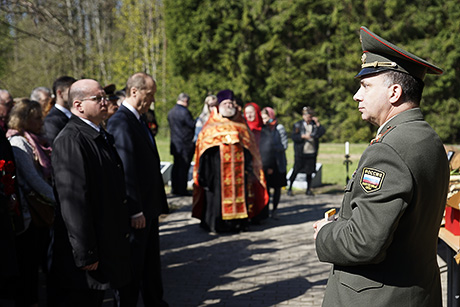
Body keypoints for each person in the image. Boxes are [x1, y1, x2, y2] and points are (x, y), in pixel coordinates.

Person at [313, 26, 449, 307]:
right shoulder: (428, 138)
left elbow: (364, 242)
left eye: (365, 86)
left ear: (394, 92)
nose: (356, 96)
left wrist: (324, 232)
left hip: (377, 297)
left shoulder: (389, 150)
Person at [50, 79, 131, 307]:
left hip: (105, 242)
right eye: (98, 98)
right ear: (78, 105)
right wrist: (85, 252)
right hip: (87, 252)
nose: (106, 102)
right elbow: (73, 201)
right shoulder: (71, 140)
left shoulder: (98, 134)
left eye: (105, 97)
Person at [107, 72, 168, 307]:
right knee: (134, 266)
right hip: (138, 212)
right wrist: (135, 210)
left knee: (150, 263)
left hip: (148, 208)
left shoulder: (139, 119)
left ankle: (155, 301)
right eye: (149, 94)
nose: (152, 100)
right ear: (134, 92)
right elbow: (126, 169)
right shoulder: (121, 121)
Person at [192, 89, 268, 233]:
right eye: (225, 103)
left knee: (240, 194)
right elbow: (203, 149)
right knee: (217, 197)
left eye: (230, 103)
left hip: (239, 171)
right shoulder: (210, 125)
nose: (228, 106)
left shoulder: (241, 124)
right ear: (219, 106)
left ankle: (237, 223)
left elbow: (251, 147)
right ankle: (217, 224)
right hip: (217, 171)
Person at [6, 98, 55, 306]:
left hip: (39, 211)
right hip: (30, 215)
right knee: (30, 265)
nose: (41, 122)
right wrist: (57, 198)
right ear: (24, 120)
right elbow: (33, 179)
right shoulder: (19, 143)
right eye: (36, 118)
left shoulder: (35, 139)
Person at [287, 106, 325, 196]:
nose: (309, 118)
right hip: (301, 152)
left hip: (311, 151)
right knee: (296, 169)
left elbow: (321, 132)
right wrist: (302, 136)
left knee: (310, 171)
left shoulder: (314, 125)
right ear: (303, 116)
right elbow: (294, 137)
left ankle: (308, 189)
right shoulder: (298, 125)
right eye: (307, 116)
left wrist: (318, 123)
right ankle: (290, 188)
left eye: (310, 116)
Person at [259, 107, 288, 219]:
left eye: (266, 117)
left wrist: (269, 147)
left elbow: (284, 145)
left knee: (277, 187)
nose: (264, 120)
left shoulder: (279, 128)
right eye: (262, 118)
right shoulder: (262, 128)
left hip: (277, 162)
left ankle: (275, 210)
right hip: (266, 162)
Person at [167, 92, 195, 196]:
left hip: (175, 143)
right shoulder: (185, 112)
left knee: (176, 167)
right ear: (186, 101)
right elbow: (191, 125)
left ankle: (175, 188)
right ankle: (182, 189)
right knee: (183, 168)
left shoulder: (171, 112)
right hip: (185, 144)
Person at [43, 76, 77, 144]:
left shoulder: (76, 115)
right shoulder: (52, 121)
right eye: (72, 92)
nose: (76, 95)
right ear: (60, 93)